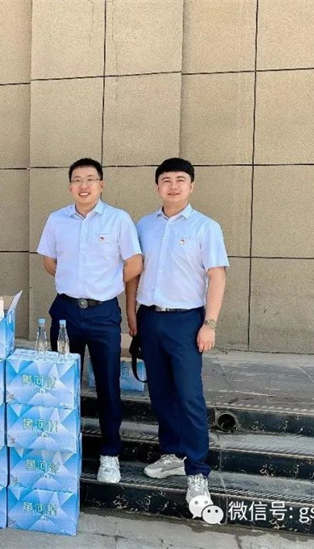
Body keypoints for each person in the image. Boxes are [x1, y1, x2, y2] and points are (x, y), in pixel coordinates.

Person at [125, 157, 228, 506]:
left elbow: (217, 276)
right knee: (161, 393)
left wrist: (209, 324)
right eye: (166, 180)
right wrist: (132, 313)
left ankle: (197, 472)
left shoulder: (206, 227)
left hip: (186, 321)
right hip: (149, 318)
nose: (173, 186)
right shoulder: (143, 225)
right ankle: (171, 454)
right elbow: (134, 273)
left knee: (189, 396)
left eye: (180, 180)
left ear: (191, 186)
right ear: (157, 186)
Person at [37, 158, 143, 484]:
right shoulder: (57, 220)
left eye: (90, 179)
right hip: (66, 311)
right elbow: (50, 262)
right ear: (70, 186)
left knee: (108, 385)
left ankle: (110, 455)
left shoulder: (118, 219)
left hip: (102, 314)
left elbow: (134, 263)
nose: (84, 186)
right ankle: (62, 449)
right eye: (77, 180)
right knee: (60, 383)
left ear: (101, 184)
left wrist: (106, 285)